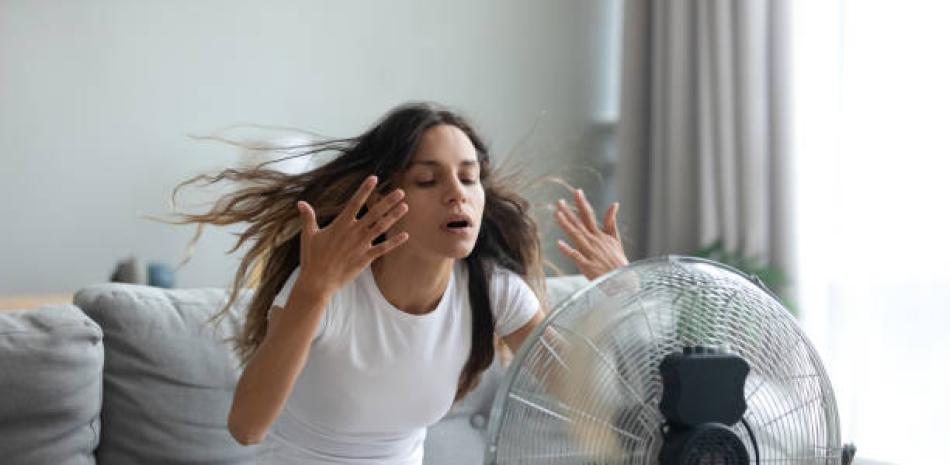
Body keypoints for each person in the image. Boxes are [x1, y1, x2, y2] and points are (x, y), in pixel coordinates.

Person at [172, 102, 629, 464]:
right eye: (428, 180)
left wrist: (623, 294)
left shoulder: (493, 292)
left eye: (469, 178)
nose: (457, 193)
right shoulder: (326, 287)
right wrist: (313, 291)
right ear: (385, 198)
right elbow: (246, 426)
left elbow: (590, 402)